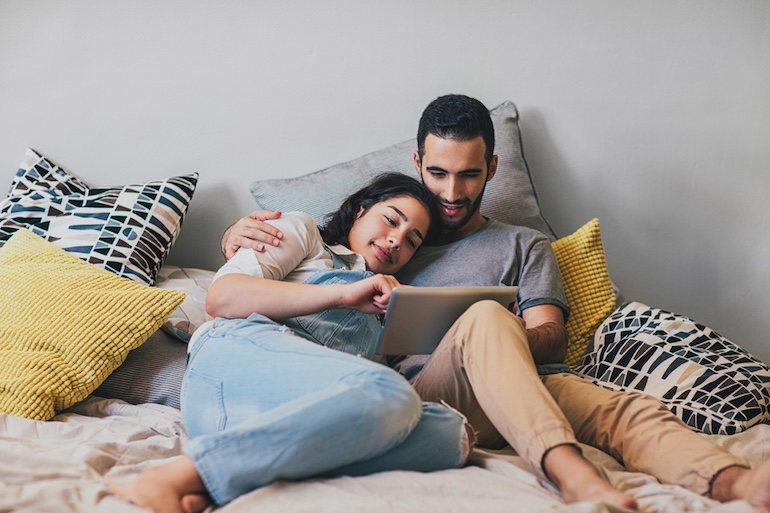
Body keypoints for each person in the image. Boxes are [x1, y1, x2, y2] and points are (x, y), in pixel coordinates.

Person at [223, 94, 770, 510]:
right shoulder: (388, 238)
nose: (452, 193)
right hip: (421, 391)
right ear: (417, 163)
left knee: (615, 408)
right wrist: (237, 236)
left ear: (492, 169)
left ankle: (737, 483)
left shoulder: (523, 244)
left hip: (516, 379)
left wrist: (503, 336)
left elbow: (550, 333)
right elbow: (303, 260)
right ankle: (570, 473)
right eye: (437, 173)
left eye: (468, 174)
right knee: (484, 318)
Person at [112, 173, 473, 513]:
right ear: (361, 210)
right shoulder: (306, 234)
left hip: (278, 420)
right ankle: (180, 475)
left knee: (450, 435)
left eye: (412, 240)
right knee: (389, 393)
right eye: (392, 220)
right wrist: (345, 295)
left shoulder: (389, 310)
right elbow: (221, 299)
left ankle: (225, 478)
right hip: (231, 365)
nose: (397, 240)